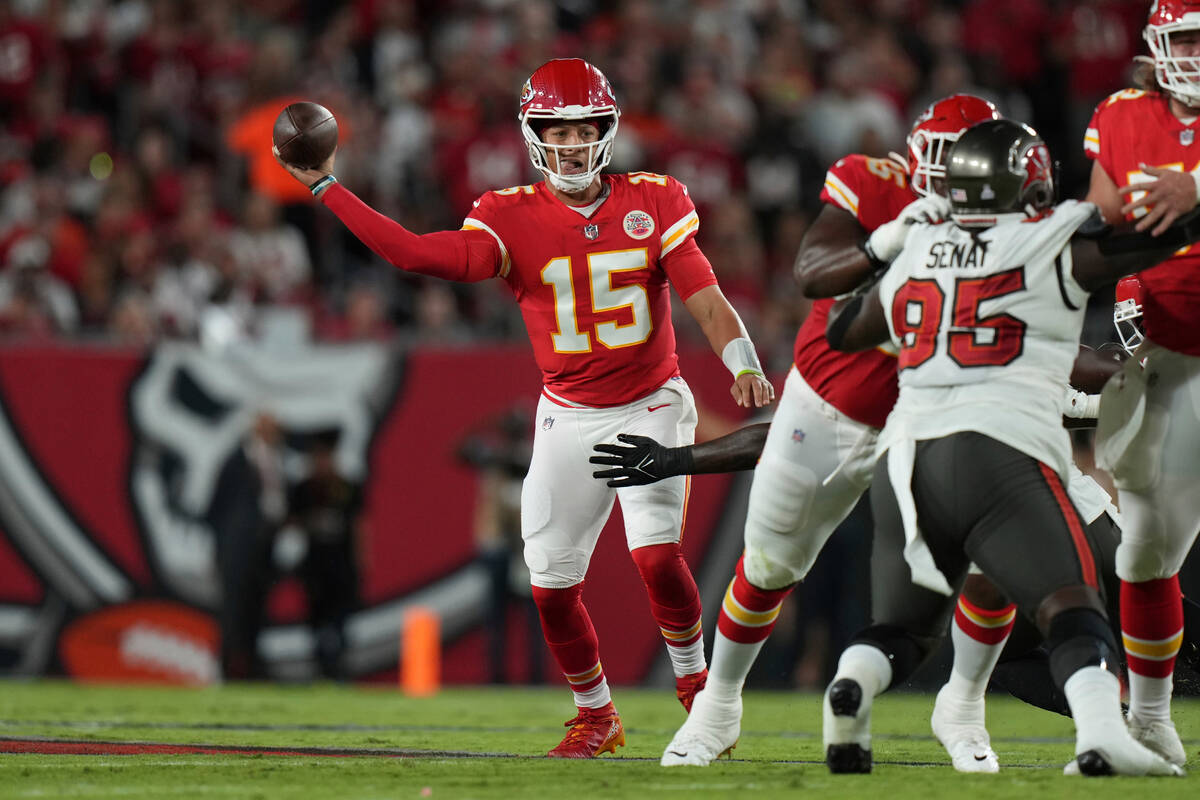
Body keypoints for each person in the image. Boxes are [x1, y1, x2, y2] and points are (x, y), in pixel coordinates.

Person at [274, 57, 775, 758]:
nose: (570, 144)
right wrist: (326, 186)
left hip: (650, 402)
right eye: (555, 130)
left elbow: (707, 298)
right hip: (567, 412)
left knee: (657, 558)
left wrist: (742, 361)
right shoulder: (507, 216)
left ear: (606, 130)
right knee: (549, 586)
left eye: (583, 129)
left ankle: (702, 696)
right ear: (534, 135)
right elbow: (419, 256)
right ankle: (596, 716)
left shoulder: (654, 199)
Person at [649, 95, 1042, 772]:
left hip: (943, 415)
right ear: (917, 159)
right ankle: (718, 706)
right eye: (948, 161)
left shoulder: (1024, 229)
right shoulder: (874, 184)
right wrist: (884, 243)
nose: (961, 179)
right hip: (832, 405)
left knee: (993, 561)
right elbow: (810, 273)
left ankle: (964, 705)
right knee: (769, 566)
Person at [822, 117, 1195, 776]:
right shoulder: (1049, 242)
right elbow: (1162, 241)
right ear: (1027, 179)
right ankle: (1103, 734)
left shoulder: (920, 246)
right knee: (1076, 607)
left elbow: (844, 328)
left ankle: (852, 690)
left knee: (905, 631)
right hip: (1000, 453)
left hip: (907, 459)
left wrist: (892, 249)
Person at [1082, 0, 1200, 767]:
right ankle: (1150, 716)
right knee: (1148, 547)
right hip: (1165, 348)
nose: (1193, 53)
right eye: (1184, 39)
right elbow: (1095, 225)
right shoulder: (1122, 113)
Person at [287, 428, 364, 681]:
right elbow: (291, 522)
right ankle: (321, 667)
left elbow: (359, 526)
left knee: (341, 619)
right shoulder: (304, 488)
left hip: (341, 564)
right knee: (316, 619)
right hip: (315, 565)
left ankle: (339, 667)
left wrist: (362, 560)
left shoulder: (346, 487)